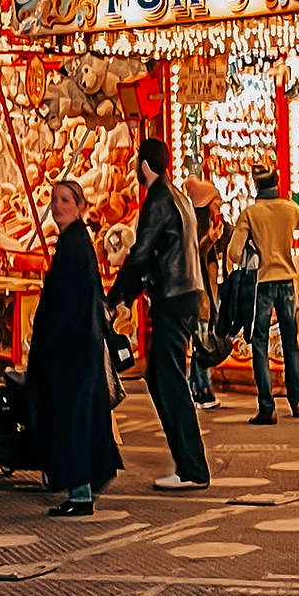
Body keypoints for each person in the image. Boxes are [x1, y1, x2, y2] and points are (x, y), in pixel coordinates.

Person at [106, 138, 210, 490]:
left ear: (145, 166)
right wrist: (127, 295)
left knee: (170, 381)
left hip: (174, 296)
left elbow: (140, 254)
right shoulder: (176, 196)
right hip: (184, 294)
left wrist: (115, 297)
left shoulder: (158, 201)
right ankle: (188, 464)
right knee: (160, 378)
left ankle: (193, 469)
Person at [26, 179, 123, 516]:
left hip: (71, 350)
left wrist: (49, 340)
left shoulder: (74, 246)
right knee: (83, 417)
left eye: (66, 200)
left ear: (81, 206)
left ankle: (81, 492)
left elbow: (67, 302)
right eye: (55, 199)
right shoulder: (75, 242)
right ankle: (91, 479)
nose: (58, 205)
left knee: (71, 419)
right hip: (78, 346)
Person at [226, 167, 299, 424]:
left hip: (263, 283)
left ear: (257, 188)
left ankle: (267, 406)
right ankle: (296, 399)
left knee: (259, 344)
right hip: (287, 282)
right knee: (291, 343)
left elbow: (234, 253)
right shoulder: (289, 208)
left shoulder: (250, 213)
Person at [184, 172, 225, 410]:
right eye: (215, 200)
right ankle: (203, 389)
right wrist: (210, 239)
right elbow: (195, 256)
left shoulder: (212, 226)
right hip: (199, 295)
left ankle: (196, 387)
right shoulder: (194, 230)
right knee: (203, 342)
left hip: (210, 293)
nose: (218, 204)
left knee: (204, 340)